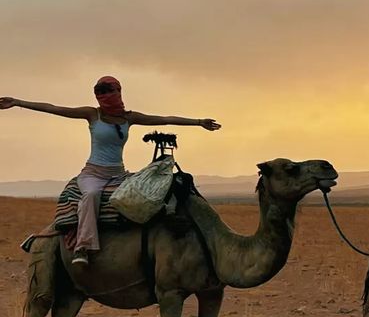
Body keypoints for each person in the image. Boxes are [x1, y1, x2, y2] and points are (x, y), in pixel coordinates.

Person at [0, 78, 221, 266]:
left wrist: (199, 122)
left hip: (119, 174)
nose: (110, 95)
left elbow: (164, 118)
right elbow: (55, 108)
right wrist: (18, 102)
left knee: (154, 191)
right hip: (93, 174)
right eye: (104, 92)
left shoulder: (128, 118)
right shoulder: (92, 115)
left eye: (113, 90)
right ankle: (82, 248)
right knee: (91, 196)